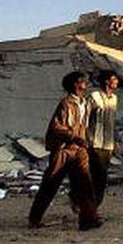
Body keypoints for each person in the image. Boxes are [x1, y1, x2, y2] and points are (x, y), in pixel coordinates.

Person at [28, 71, 102, 231]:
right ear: (75, 84)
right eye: (82, 81)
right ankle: (34, 218)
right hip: (64, 150)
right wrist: (74, 136)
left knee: (85, 184)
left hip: (80, 150)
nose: (86, 84)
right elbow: (57, 127)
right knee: (51, 183)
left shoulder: (86, 103)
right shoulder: (65, 104)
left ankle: (89, 219)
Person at [86, 70, 119, 206]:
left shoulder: (114, 99)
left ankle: (95, 206)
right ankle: (87, 205)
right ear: (106, 81)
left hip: (108, 145)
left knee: (102, 178)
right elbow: (85, 118)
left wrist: (115, 142)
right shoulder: (94, 97)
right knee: (95, 176)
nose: (116, 82)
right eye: (114, 79)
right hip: (95, 143)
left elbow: (112, 121)